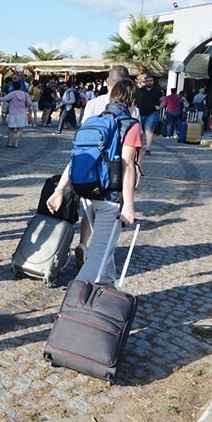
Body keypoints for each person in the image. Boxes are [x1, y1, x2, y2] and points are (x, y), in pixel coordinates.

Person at [47, 78, 142, 285]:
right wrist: (129, 205)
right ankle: (73, 305)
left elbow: (76, 158)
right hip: (110, 199)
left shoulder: (93, 121)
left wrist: (59, 190)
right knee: (98, 257)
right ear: (132, 101)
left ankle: (107, 294)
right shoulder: (130, 125)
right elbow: (126, 165)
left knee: (104, 251)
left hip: (87, 194)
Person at [77, 65, 136, 270]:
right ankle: (95, 262)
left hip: (87, 170)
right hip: (112, 178)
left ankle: (83, 244)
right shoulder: (130, 110)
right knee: (106, 229)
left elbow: (83, 138)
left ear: (108, 83)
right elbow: (129, 160)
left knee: (89, 210)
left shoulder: (94, 105)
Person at [0, 80, 31, 148]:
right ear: (20, 86)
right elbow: (29, 103)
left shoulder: (12, 94)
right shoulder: (25, 94)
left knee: (11, 129)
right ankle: (16, 143)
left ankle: (10, 142)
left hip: (13, 113)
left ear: (13, 87)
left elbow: (4, 99)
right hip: (22, 113)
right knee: (20, 129)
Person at [137, 74, 165, 155]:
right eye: (148, 81)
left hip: (153, 113)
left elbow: (163, 100)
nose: (149, 82)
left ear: (153, 82)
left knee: (149, 129)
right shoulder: (140, 90)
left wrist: (160, 107)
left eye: (151, 81)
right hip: (141, 112)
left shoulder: (157, 91)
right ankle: (139, 147)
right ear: (145, 82)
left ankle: (148, 148)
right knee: (140, 131)